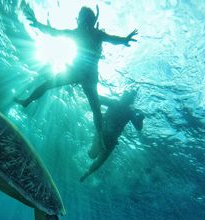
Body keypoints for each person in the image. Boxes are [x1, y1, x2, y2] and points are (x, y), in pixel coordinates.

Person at [15, 4, 138, 153]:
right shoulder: (85, 33)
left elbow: (111, 39)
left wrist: (124, 40)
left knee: (95, 108)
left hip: (83, 74)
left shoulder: (92, 33)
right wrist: (37, 23)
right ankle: (26, 102)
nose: (84, 22)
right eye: (83, 19)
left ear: (89, 20)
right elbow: (54, 32)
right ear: (81, 20)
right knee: (91, 107)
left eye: (86, 19)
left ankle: (99, 137)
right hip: (81, 73)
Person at [80, 90, 145, 182]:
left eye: (127, 96)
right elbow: (97, 99)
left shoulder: (129, 112)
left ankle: (88, 173)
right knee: (92, 155)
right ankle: (88, 169)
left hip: (110, 139)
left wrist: (141, 118)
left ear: (130, 101)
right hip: (103, 135)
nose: (124, 97)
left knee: (98, 160)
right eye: (125, 95)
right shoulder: (122, 107)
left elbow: (138, 128)